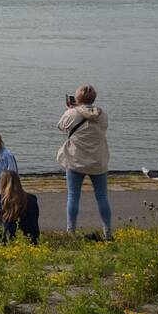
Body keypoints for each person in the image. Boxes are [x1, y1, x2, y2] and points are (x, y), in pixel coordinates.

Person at [56, 84, 112, 239]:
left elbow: (61, 126)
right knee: (102, 196)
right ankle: (107, 232)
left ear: (77, 98)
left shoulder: (72, 114)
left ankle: (71, 232)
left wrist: (69, 110)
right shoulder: (103, 115)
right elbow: (104, 128)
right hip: (98, 161)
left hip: (75, 161)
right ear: (94, 98)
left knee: (73, 196)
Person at [0, 170, 40, 244]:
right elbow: (34, 221)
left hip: (6, 239)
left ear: (2, 184)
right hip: (30, 239)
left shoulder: (0, 202)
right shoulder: (31, 200)